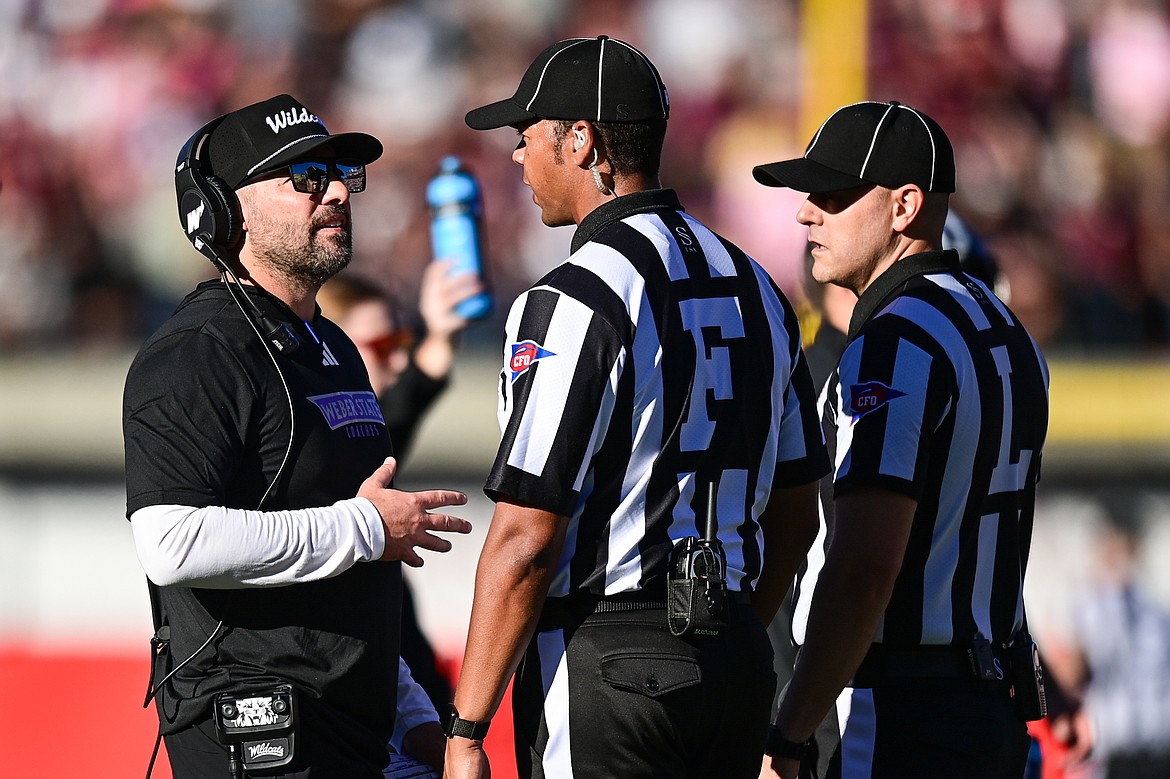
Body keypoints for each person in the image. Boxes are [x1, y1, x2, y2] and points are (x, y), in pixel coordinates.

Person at [444, 35, 830, 779]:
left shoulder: (574, 297)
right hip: (736, 661)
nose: (518, 159)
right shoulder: (760, 288)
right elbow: (798, 511)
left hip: (607, 660)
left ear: (581, 141)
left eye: (526, 138)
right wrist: (738, 628)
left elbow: (527, 535)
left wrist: (467, 726)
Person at [122, 93, 473, 778]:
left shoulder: (333, 347)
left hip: (359, 735)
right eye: (306, 177)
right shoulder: (195, 351)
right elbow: (169, 543)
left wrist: (418, 721)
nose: (339, 190)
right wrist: (365, 528)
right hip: (260, 738)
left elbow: (351, 583)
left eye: (339, 173)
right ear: (226, 213)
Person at [753, 100, 1050, 779]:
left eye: (833, 195)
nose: (806, 214)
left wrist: (791, 731)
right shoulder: (1006, 329)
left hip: (894, 712)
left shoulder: (894, 342)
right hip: (984, 705)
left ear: (905, 205)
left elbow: (863, 569)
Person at [317, 266, 482, 714]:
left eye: (402, 344)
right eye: (382, 346)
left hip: (403, 693)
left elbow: (402, 408)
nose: (399, 360)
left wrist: (441, 337)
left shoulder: (368, 439)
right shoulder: (312, 450)